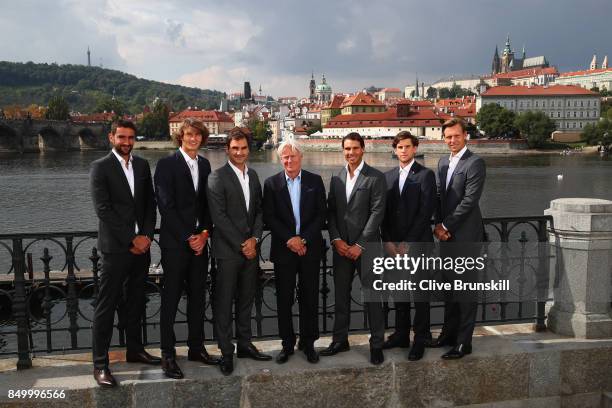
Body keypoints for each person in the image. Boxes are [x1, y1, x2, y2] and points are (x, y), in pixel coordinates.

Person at [90, 120, 159, 388]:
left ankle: (134, 349)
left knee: (136, 302)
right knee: (106, 307)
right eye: (122, 137)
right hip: (116, 249)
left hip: (141, 249)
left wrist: (147, 237)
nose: (127, 142)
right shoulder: (100, 168)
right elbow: (103, 210)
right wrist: (132, 238)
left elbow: (150, 205)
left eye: (131, 137)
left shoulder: (141, 165)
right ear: (111, 138)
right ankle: (100, 364)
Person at [154, 119, 220, 379]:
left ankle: (196, 348)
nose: (193, 139)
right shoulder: (166, 164)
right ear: (180, 137)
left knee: (197, 297)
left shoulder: (204, 164)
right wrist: (187, 236)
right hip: (175, 244)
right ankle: (168, 355)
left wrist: (204, 233)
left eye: (197, 135)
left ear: (202, 139)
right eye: (189, 135)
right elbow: (165, 205)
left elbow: (206, 205)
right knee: (170, 300)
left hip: (199, 244)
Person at [206, 128, 272, 376]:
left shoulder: (253, 176)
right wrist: (243, 244)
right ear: (227, 150)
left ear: (248, 149)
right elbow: (219, 218)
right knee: (224, 302)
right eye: (235, 148)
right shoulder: (217, 177)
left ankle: (244, 344)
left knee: (246, 298)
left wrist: (254, 239)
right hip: (227, 252)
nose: (240, 152)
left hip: (250, 249)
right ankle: (225, 351)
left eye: (243, 148)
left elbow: (258, 211)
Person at [320, 132, 387, 365]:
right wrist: (336, 239)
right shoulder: (337, 177)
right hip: (341, 249)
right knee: (340, 296)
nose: (351, 153)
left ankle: (376, 344)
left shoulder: (375, 177)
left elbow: (378, 213)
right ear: (343, 150)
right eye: (347, 149)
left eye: (355, 148)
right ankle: (340, 340)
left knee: (373, 297)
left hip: (367, 248)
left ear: (363, 149)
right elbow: (331, 212)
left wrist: (360, 244)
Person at [263, 140, 326, 364]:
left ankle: (308, 343)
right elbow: (269, 217)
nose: (289, 161)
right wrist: (290, 239)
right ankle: (287, 344)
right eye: (285, 157)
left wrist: (304, 238)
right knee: (284, 299)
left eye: (293, 156)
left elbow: (321, 215)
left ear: (301, 157)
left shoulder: (315, 181)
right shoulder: (271, 184)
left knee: (310, 297)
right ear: (281, 159)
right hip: (284, 249)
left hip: (309, 249)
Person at [429, 117, 486, 359]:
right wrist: (436, 223)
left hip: (465, 236)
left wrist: (446, 225)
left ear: (465, 136)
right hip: (446, 235)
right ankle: (447, 334)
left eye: (456, 136)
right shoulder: (443, 162)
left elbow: (469, 201)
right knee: (450, 288)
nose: (452, 140)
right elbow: (440, 196)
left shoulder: (475, 163)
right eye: (448, 136)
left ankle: (464, 342)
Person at [381, 131, 437, 361]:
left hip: (418, 244)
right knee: (399, 292)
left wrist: (408, 243)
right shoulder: (388, 176)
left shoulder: (425, 175)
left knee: (420, 295)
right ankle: (401, 334)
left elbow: (426, 212)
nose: (403, 150)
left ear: (415, 148)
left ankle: (420, 338)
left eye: (407, 146)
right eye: (399, 147)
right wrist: (388, 242)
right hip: (394, 246)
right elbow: (383, 214)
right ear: (395, 150)